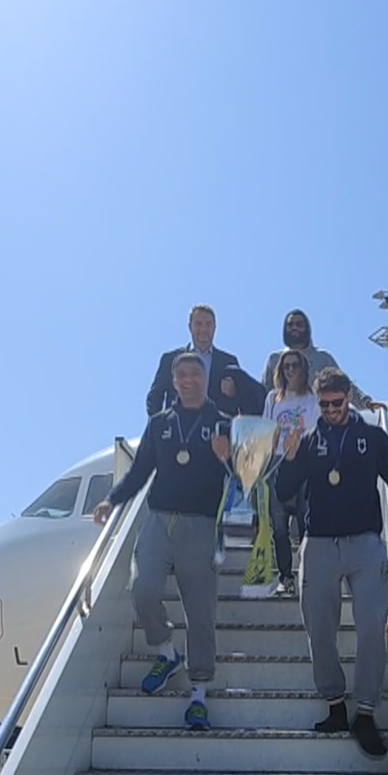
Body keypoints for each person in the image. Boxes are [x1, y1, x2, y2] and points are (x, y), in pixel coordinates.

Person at [277, 367, 388, 759]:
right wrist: (290, 457)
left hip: (365, 544)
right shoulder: (309, 440)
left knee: (371, 628)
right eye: (324, 405)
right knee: (320, 630)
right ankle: (335, 705)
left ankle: (364, 712)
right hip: (319, 544)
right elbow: (283, 492)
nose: (331, 410)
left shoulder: (372, 438)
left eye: (337, 403)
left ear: (348, 397)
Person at [95, 352, 233, 729]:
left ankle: (199, 693)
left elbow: (243, 476)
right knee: (142, 590)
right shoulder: (159, 424)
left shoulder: (222, 423)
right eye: (182, 375)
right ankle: (167, 652)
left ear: (205, 378)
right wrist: (112, 499)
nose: (188, 380)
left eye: (195, 374)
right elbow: (141, 471)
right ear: (174, 382)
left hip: (202, 524)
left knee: (200, 612)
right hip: (159, 519)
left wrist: (228, 458)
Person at [260, 346, 320, 596]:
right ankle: (285, 576)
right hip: (278, 462)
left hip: (304, 463)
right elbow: (267, 429)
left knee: (306, 522)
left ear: (303, 369)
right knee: (279, 525)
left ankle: (309, 574)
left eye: (295, 365)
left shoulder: (312, 399)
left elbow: (316, 430)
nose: (291, 370)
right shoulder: (273, 398)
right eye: (286, 366)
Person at [145, 304, 265, 417]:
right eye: (198, 324)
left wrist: (234, 392)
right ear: (190, 327)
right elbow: (154, 398)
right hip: (179, 428)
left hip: (217, 429)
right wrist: (159, 426)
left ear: (214, 328)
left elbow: (244, 401)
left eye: (208, 324)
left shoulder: (228, 362)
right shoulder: (170, 360)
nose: (203, 329)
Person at [260, 310, 381, 412]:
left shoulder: (322, 359)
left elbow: (343, 384)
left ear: (307, 328)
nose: (294, 328)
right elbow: (262, 393)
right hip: (281, 423)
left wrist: (365, 402)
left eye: (299, 324)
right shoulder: (274, 359)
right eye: (290, 325)